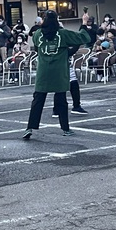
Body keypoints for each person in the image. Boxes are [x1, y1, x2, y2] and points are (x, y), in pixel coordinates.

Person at [23, 10, 90, 140]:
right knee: (61, 100)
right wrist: (84, 23)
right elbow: (83, 37)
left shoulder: (37, 34)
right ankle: (65, 128)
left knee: (38, 100)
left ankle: (30, 127)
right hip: (59, 71)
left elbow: (37, 47)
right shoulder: (62, 34)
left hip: (43, 71)